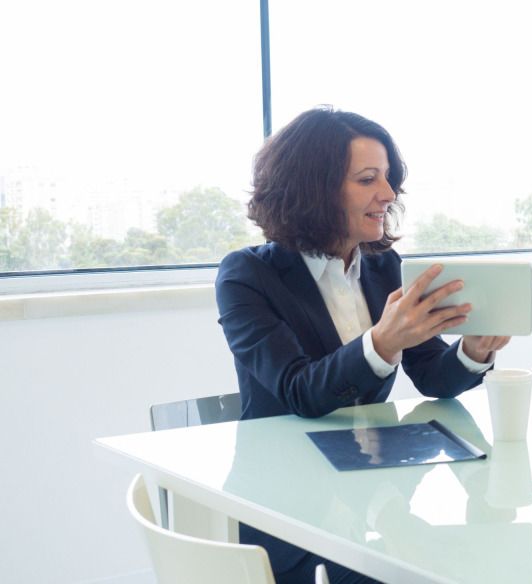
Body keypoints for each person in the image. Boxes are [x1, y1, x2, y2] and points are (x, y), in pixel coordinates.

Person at [215, 106, 510, 583]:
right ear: (315, 189)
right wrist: (381, 341)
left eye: (388, 178)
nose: (388, 195)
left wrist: (472, 353)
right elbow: (298, 391)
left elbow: (432, 375)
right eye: (368, 179)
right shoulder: (248, 275)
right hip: (287, 509)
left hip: (371, 488)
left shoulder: (381, 266)